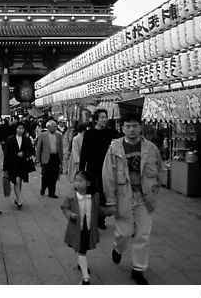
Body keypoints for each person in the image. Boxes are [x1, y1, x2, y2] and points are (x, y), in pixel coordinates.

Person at [102, 113, 163, 285]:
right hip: (123, 197)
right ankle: (118, 247)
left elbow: (160, 169)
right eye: (128, 126)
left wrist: (156, 189)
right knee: (124, 232)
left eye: (135, 126)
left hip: (145, 198)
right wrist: (111, 200)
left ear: (140, 127)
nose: (131, 129)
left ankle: (138, 269)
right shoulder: (114, 149)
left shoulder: (151, 148)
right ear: (122, 128)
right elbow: (107, 176)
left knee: (143, 234)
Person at [79, 109, 119, 229]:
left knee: (104, 194)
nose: (104, 119)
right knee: (95, 193)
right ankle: (96, 218)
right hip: (93, 168)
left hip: (108, 168)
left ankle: (101, 219)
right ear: (96, 119)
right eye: (101, 117)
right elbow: (84, 152)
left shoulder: (111, 133)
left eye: (105, 117)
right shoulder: (89, 133)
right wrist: (81, 169)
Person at [61, 171, 101, 285]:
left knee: (83, 248)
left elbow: (98, 210)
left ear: (88, 183)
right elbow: (64, 207)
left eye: (80, 181)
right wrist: (70, 214)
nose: (77, 183)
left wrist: (110, 211)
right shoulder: (71, 196)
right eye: (76, 180)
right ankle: (85, 277)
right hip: (77, 230)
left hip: (88, 228)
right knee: (82, 250)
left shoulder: (94, 197)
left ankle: (80, 263)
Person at [3, 123, 34, 209]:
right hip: (13, 163)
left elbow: (31, 150)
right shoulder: (10, 139)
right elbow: (6, 154)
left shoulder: (27, 139)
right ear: (16, 129)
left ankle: (17, 198)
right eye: (19, 128)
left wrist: (23, 153)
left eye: (22, 128)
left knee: (19, 181)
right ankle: (19, 200)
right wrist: (5, 167)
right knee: (16, 180)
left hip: (23, 163)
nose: (21, 130)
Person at [35, 120, 63, 198]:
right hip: (46, 157)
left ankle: (52, 192)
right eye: (53, 126)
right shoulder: (42, 135)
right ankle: (43, 187)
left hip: (55, 157)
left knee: (54, 175)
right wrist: (37, 158)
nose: (55, 128)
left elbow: (60, 147)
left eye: (55, 126)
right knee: (45, 175)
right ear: (48, 127)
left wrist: (61, 159)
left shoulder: (59, 135)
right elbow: (39, 147)